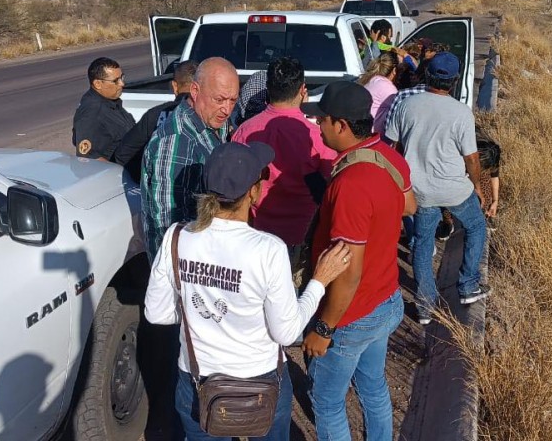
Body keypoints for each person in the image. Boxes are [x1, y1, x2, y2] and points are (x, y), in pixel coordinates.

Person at [144, 141, 352, 441]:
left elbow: (157, 313)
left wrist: (201, 308)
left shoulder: (176, 237)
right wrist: (319, 282)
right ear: (253, 192)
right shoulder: (268, 249)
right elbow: (287, 332)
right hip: (260, 383)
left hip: (196, 381)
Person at [300, 81, 416, 441]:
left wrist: (324, 329)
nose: (318, 126)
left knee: (328, 400)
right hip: (385, 299)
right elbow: (410, 206)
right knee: (373, 387)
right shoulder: (386, 154)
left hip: (352, 314)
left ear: (342, 126)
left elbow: (347, 272)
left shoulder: (350, 183)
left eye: (323, 120)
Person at [385, 52, 490, 323]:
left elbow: (392, 148)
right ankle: (468, 286)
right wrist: (477, 185)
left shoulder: (406, 105)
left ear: (427, 74)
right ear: (454, 82)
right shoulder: (460, 112)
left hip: (419, 190)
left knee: (422, 244)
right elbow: (472, 158)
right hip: (454, 188)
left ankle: (425, 307)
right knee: (476, 226)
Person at [232, 57, 336, 280]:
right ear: (302, 89)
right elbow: (329, 183)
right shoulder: (317, 135)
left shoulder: (244, 132)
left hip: (254, 234)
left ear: (269, 89)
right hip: (301, 235)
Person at [140, 57, 238, 263]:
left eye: (233, 101)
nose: (227, 110)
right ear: (195, 91)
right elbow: (168, 228)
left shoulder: (210, 121)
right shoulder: (176, 142)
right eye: (219, 100)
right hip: (186, 273)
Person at [112, 60, 197, 183]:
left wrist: (146, 179)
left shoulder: (154, 115)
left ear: (174, 86)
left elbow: (122, 154)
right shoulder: (213, 116)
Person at [72, 57, 135, 160]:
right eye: (116, 81)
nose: (122, 84)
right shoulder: (92, 112)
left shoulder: (110, 102)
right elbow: (90, 160)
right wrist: (120, 175)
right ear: (98, 84)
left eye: (122, 78)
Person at [358, 51, 401, 136]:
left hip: (363, 129)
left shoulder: (374, 80)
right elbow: (400, 111)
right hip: (372, 134)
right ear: (394, 70)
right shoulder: (388, 88)